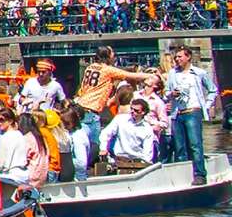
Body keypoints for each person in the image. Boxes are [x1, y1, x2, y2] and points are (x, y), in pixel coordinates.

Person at [70, 46, 154, 180]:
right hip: (91, 111)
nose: (114, 56)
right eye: (113, 53)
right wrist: (150, 75)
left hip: (80, 107)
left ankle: (78, 173)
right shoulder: (107, 70)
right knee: (94, 147)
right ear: (107, 56)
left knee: (77, 144)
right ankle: (82, 176)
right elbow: (131, 76)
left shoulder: (90, 67)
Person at [165, 46, 216, 185]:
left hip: (193, 111)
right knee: (179, 147)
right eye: (176, 57)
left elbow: (212, 90)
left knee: (195, 144)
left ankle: (200, 174)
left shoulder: (199, 73)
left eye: (180, 57)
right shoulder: (172, 74)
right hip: (177, 113)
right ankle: (183, 176)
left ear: (188, 57)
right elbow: (166, 93)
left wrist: (206, 105)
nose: (177, 59)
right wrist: (171, 94)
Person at [0, 110, 49, 197]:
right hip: (24, 175)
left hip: (11, 176)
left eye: (2, 120)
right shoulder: (21, 135)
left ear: (10, 121)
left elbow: (0, 163)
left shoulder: (7, 137)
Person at [99, 98, 160, 171]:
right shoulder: (120, 119)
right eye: (131, 109)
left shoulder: (147, 129)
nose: (132, 112)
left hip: (137, 162)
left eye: (136, 110)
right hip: (119, 159)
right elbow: (105, 133)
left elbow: (148, 153)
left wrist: (145, 166)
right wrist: (103, 148)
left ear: (143, 112)